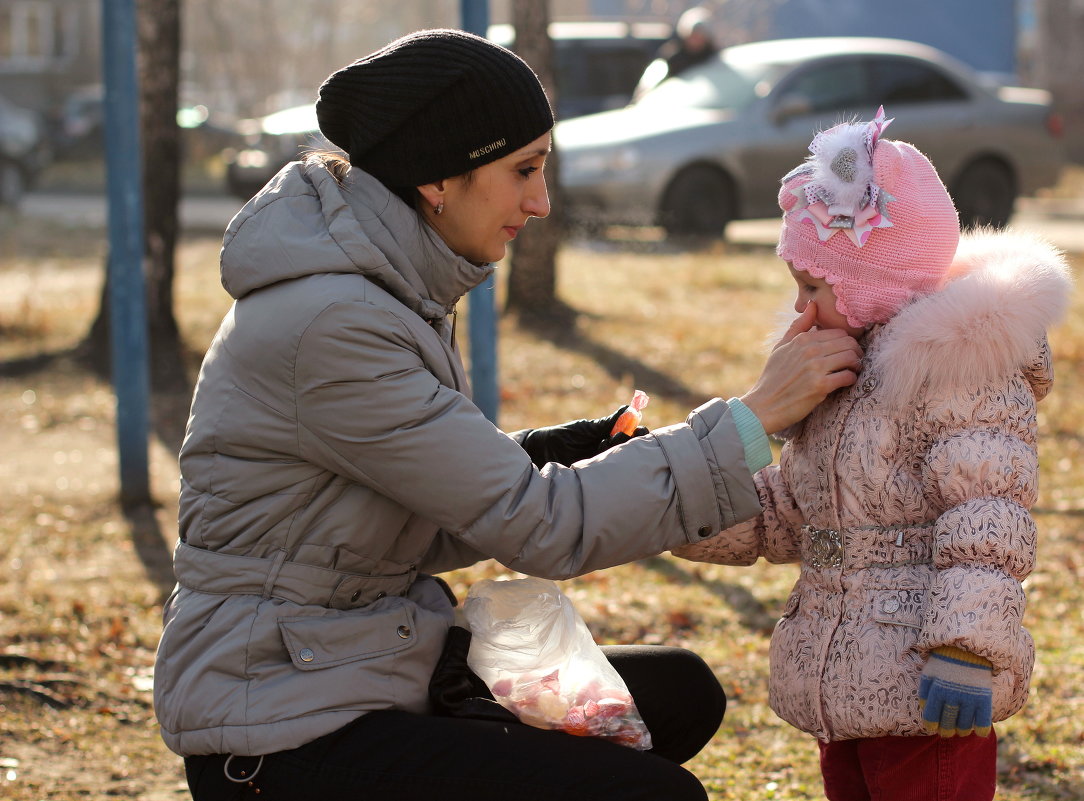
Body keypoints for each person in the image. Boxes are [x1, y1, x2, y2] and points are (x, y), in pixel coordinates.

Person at [153, 29, 863, 801]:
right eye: (522, 169)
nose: (541, 201)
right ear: (438, 180)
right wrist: (752, 421)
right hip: (280, 723)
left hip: (355, 659)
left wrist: (572, 446)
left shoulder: (386, 288)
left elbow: (436, 507)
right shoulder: (336, 322)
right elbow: (540, 527)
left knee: (682, 692)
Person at [672, 107, 1071, 801]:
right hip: (845, 677)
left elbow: (985, 524)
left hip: (929, 689)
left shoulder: (958, 372)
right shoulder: (836, 380)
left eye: (815, 288)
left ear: (873, 285)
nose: (800, 310)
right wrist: (678, 499)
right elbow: (785, 513)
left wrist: (967, 648)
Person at [635, 6, 719, 96]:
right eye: (693, 35)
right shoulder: (671, 58)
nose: (695, 40)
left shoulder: (714, 61)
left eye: (700, 36)